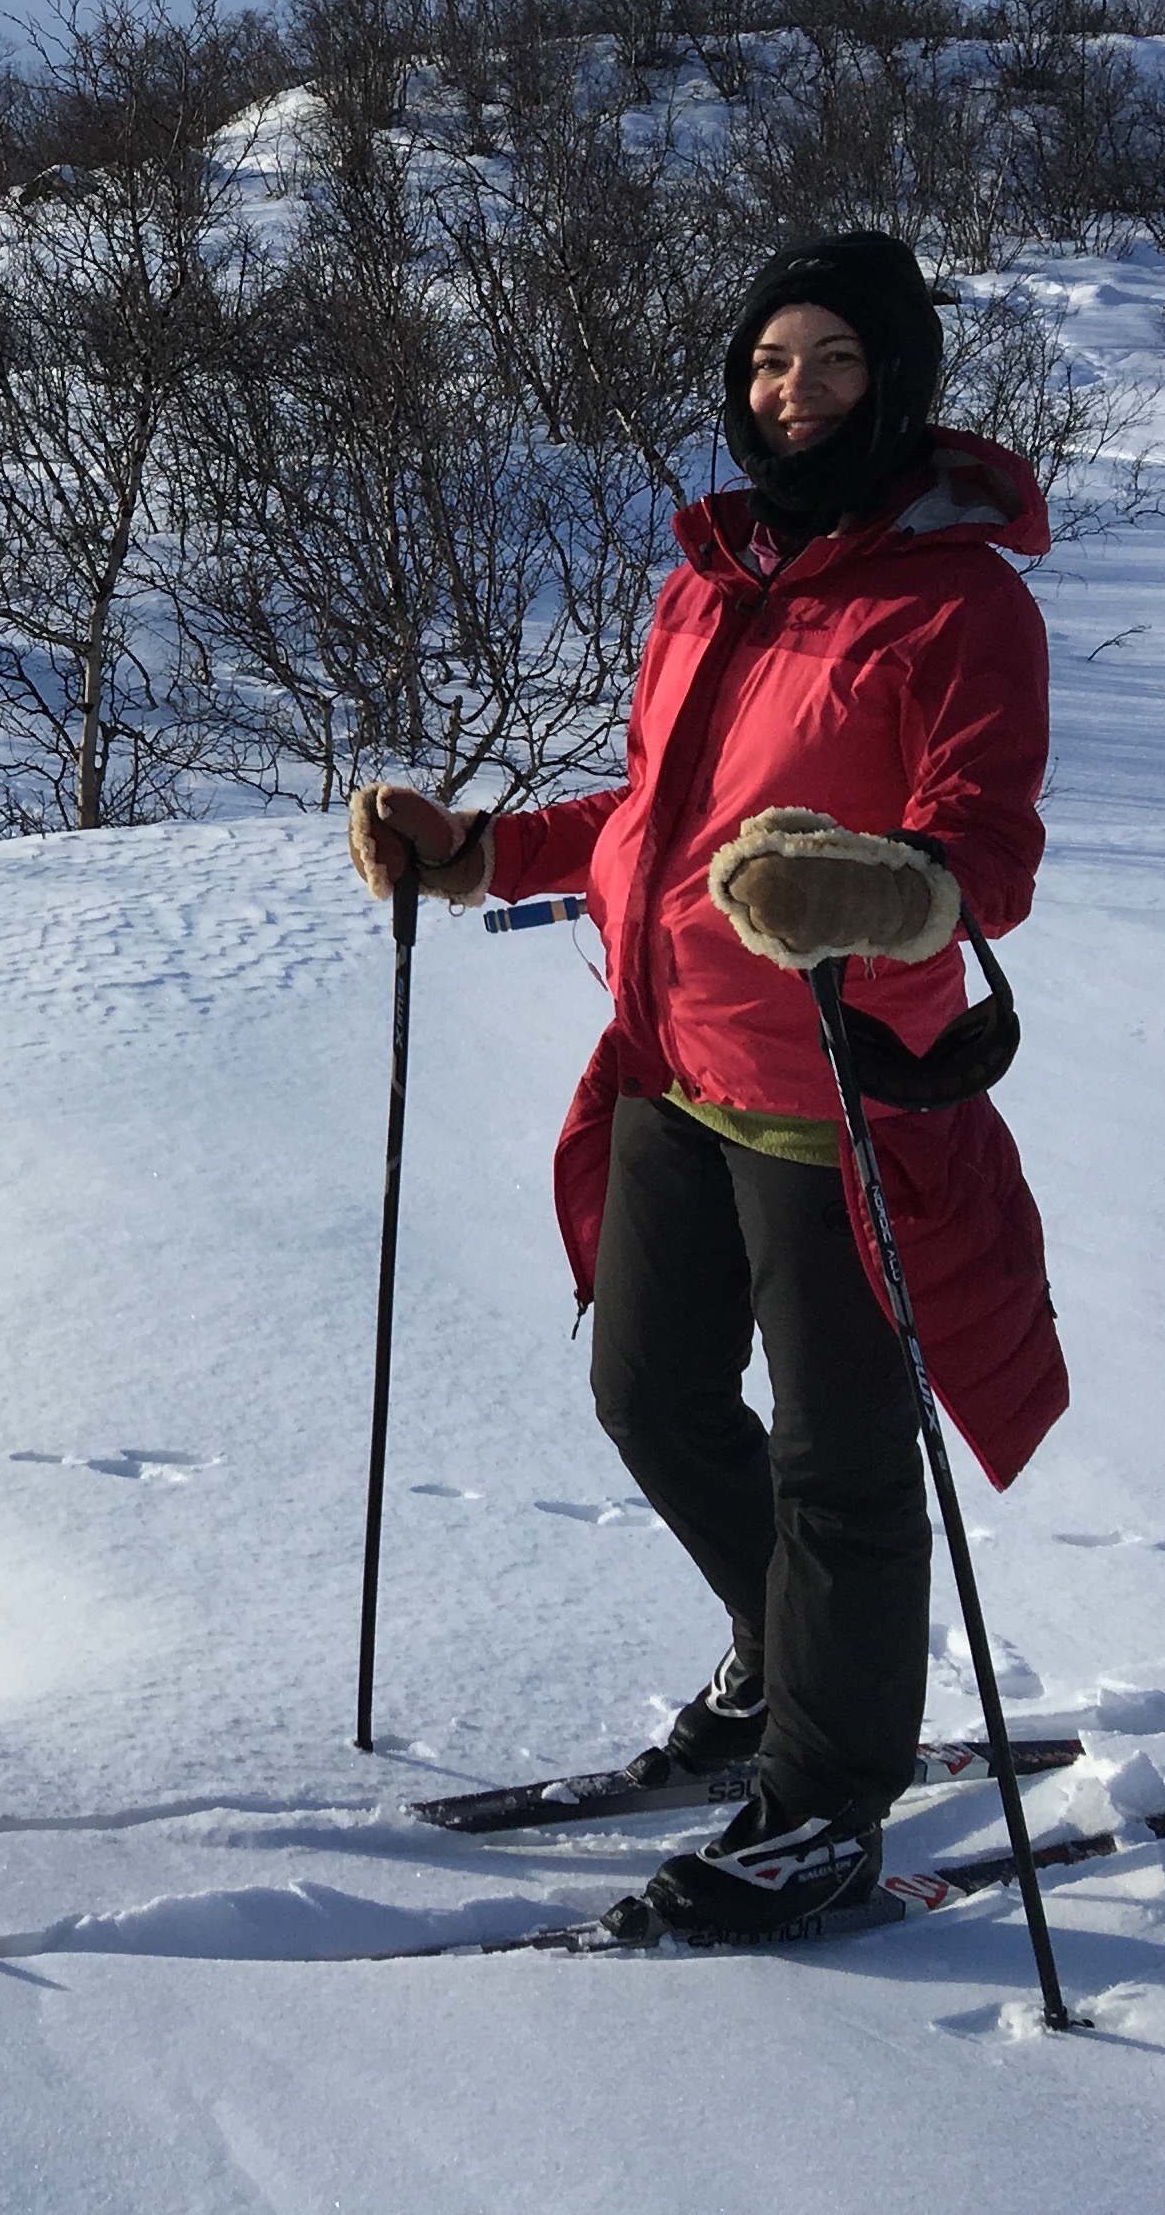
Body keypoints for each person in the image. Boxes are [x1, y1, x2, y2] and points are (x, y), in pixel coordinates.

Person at [346, 226, 1062, 1936]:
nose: (789, 391)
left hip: (839, 1089)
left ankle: (824, 1799)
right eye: (764, 361)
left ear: (892, 379)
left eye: (827, 359)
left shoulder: (959, 604)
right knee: (645, 1394)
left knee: (841, 1465)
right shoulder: (711, 580)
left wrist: (882, 891)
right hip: (671, 1069)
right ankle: (782, 1662)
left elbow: (982, 850)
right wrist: (471, 856)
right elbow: (644, 819)